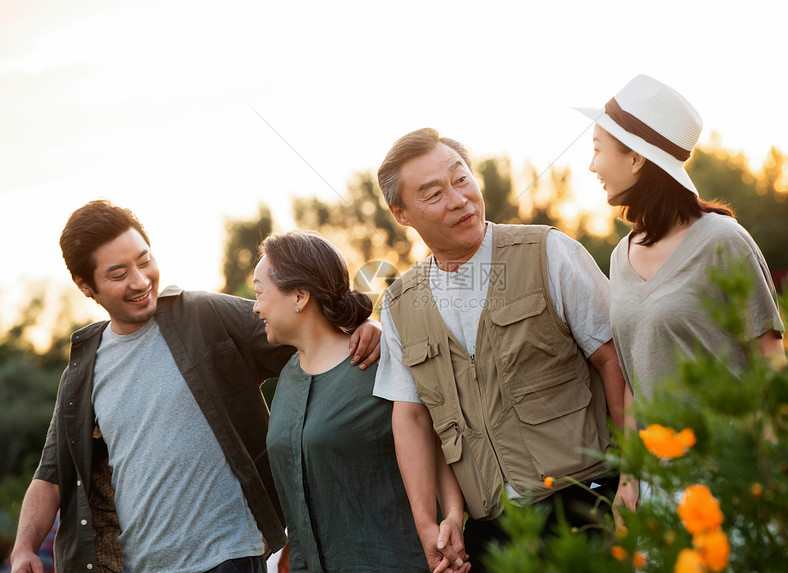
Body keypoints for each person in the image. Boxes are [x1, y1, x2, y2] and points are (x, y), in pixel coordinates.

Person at [10, 200, 381, 573]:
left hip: (228, 556)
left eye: (144, 261)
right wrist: (24, 548)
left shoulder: (205, 316)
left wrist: (366, 327)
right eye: (119, 273)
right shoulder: (82, 371)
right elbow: (51, 475)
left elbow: (310, 334)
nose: (140, 281)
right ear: (85, 285)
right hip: (139, 566)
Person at [373, 128, 635, 571]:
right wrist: (430, 522)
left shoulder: (548, 252)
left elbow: (616, 362)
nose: (458, 200)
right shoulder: (400, 304)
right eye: (433, 193)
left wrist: (633, 473)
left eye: (461, 179)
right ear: (401, 213)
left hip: (585, 503)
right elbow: (414, 417)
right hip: (488, 532)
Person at [576, 74, 785, 405]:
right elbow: (635, 384)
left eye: (598, 149)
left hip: (725, 454)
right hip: (656, 456)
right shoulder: (620, 257)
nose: (592, 166)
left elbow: (770, 362)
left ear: (635, 159)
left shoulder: (724, 241)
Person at [253, 231, 427, 573]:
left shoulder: (379, 363)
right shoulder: (287, 376)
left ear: (300, 296)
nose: (255, 306)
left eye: (259, 293)